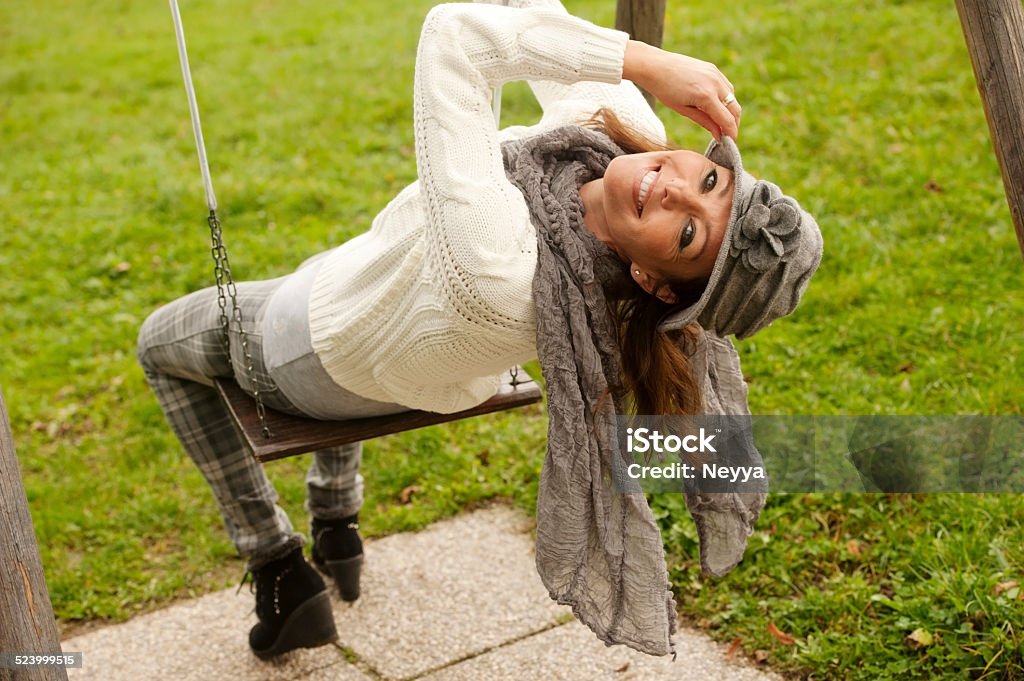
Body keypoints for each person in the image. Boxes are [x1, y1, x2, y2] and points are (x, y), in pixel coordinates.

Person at [138, 0, 822, 661]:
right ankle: (336, 521)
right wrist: (632, 72)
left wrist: (643, 61)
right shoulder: (607, 156)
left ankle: (277, 564)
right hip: (403, 354)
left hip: (312, 349)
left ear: (657, 283)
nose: (674, 186)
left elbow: (456, 38)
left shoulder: (505, 267)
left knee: (161, 343)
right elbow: (524, 14)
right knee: (347, 290)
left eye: (689, 229)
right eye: (707, 175)